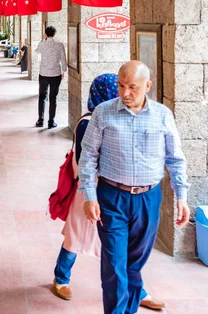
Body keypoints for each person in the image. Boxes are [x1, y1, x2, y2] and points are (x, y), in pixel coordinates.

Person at [79, 61, 191, 314]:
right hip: (111, 197)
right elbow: (88, 156)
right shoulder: (103, 112)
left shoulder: (163, 115)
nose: (125, 93)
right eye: (121, 86)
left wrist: (181, 197)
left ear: (147, 86)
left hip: (148, 198)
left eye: (133, 87)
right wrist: (89, 195)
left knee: (134, 263)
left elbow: (175, 158)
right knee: (114, 265)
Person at [52, 74, 164, 311]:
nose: (123, 95)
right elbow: (86, 161)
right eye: (119, 89)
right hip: (91, 192)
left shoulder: (123, 116)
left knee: (121, 249)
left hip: (116, 194)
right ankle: (61, 277)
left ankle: (137, 290)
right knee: (77, 237)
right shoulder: (88, 122)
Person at [35, 26, 66, 129]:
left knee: (42, 97)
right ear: (55, 34)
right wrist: (64, 70)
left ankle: (40, 120)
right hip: (55, 74)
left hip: (43, 74)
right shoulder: (59, 45)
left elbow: (37, 52)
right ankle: (51, 121)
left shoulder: (42, 44)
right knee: (53, 98)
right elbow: (63, 60)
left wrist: (43, 39)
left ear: (45, 34)